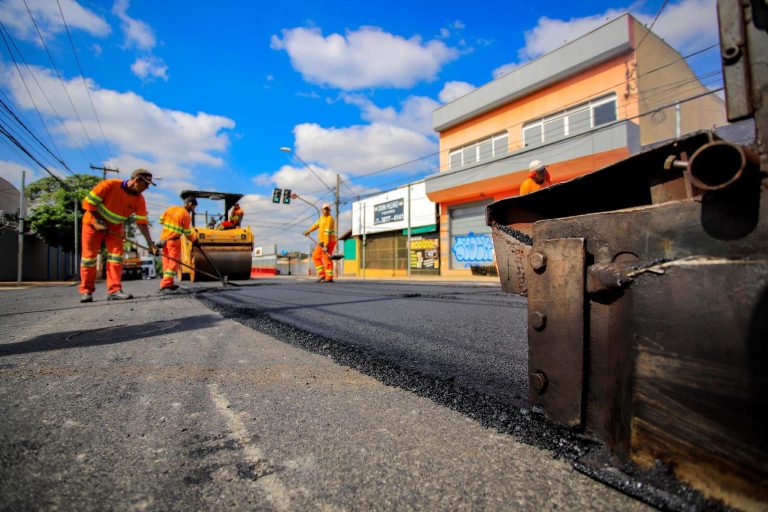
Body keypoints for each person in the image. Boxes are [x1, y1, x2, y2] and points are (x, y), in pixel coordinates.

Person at [79, 168, 158, 303]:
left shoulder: (139, 199)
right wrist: (98, 222)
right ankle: (86, 291)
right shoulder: (109, 185)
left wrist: (150, 244)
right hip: (92, 223)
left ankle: (114, 290)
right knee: (89, 258)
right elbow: (88, 203)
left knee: (116, 257)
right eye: (146, 184)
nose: (147, 188)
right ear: (136, 180)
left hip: (115, 227)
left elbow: (142, 223)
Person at [157, 197, 200, 293]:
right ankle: (165, 284)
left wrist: (171, 224)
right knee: (173, 263)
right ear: (190, 204)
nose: (193, 209)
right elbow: (187, 233)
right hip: (174, 241)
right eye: (194, 207)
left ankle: (169, 283)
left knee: (166, 263)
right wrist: (195, 240)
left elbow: (161, 220)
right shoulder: (186, 215)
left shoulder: (171, 208)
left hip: (164, 240)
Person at [304, 203, 336, 283]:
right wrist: (308, 231)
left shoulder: (329, 219)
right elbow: (316, 225)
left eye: (327, 209)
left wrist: (325, 246)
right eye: (324, 209)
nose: (325, 211)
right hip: (322, 242)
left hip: (329, 242)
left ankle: (329, 277)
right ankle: (322, 275)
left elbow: (327, 234)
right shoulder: (321, 218)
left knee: (326, 258)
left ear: (329, 210)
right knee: (315, 256)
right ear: (322, 210)